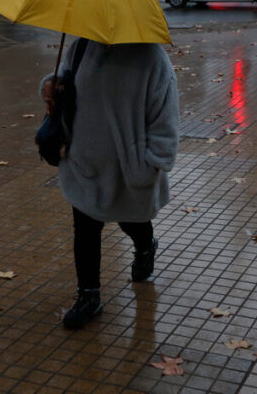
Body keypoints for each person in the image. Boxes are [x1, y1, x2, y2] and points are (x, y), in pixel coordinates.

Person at [40, 39, 179, 329]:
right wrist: (51, 87)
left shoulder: (151, 55)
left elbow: (165, 113)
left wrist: (154, 161)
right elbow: (66, 82)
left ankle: (145, 246)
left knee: (131, 222)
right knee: (85, 229)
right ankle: (88, 296)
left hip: (129, 166)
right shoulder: (80, 46)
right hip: (85, 161)